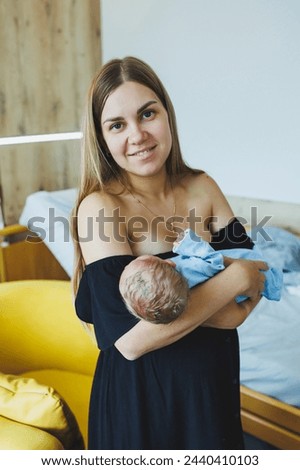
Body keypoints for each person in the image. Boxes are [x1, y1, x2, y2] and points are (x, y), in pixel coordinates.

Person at [71, 56, 267, 450]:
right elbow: (129, 340)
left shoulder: (203, 187)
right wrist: (235, 276)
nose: (138, 134)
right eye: (117, 125)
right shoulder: (101, 207)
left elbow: (240, 309)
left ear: (167, 114)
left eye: (147, 114)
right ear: (102, 138)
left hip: (212, 392)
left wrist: (235, 289)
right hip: (142, 403)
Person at [119, 228, 283, 324]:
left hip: (237, 289)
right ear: (169, 263)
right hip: (244, 263)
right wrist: (187, 243)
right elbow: (213, 260)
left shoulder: (174, 291)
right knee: (267, 271)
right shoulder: (193, 269)